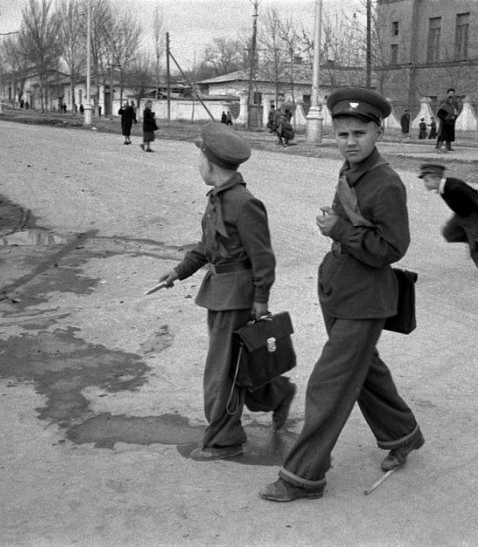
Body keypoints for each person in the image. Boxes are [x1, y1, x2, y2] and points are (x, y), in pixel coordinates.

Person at [259, 87, 423, 503]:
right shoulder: (350, 171)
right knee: (364, 370)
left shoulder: (386, 182)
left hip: (365, 298)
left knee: (328, 383)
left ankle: (302, 476)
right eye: (342, 134)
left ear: (378, 131)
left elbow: (392, 247)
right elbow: (351, 222)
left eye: (359, 133)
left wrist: (340, 229)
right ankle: (402, 434)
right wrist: (335, 224)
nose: (350, 142)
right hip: (340, 286)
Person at [157, 123, 297, 461]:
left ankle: (225, 440)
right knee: (238, 363)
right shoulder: (218, 198)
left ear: (210, 163)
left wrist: (260, 301)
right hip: (220, 292)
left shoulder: (244, 203)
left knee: (221, 370)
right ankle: (277, 395)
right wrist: (178, 272)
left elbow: (263, 258)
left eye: (199, 158)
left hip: (238, 298)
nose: (197, 164)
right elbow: (206, 247)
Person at [419, 164, 478, 278]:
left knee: (475, 246)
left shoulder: (454, 187)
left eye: (427, 181)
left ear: (437, 179)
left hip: (472, 216)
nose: (425, 184)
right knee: (448, 234)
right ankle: (474, 240)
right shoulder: (442, 187)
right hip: (459, 215)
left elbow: (475, 197)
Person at [436, 88, 459, 153]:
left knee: (449, 136)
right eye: (450, 93)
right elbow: (440, 113)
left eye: (452, 93)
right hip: (445, 122)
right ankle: (438, 147)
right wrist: (446, 118)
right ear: (447, 94)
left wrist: (454, 117)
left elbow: (456, 112)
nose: (451, 94)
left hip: (451, 122)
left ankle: (447, 148)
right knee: (442, 135)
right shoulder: (444, 103)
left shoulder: (455, 104)